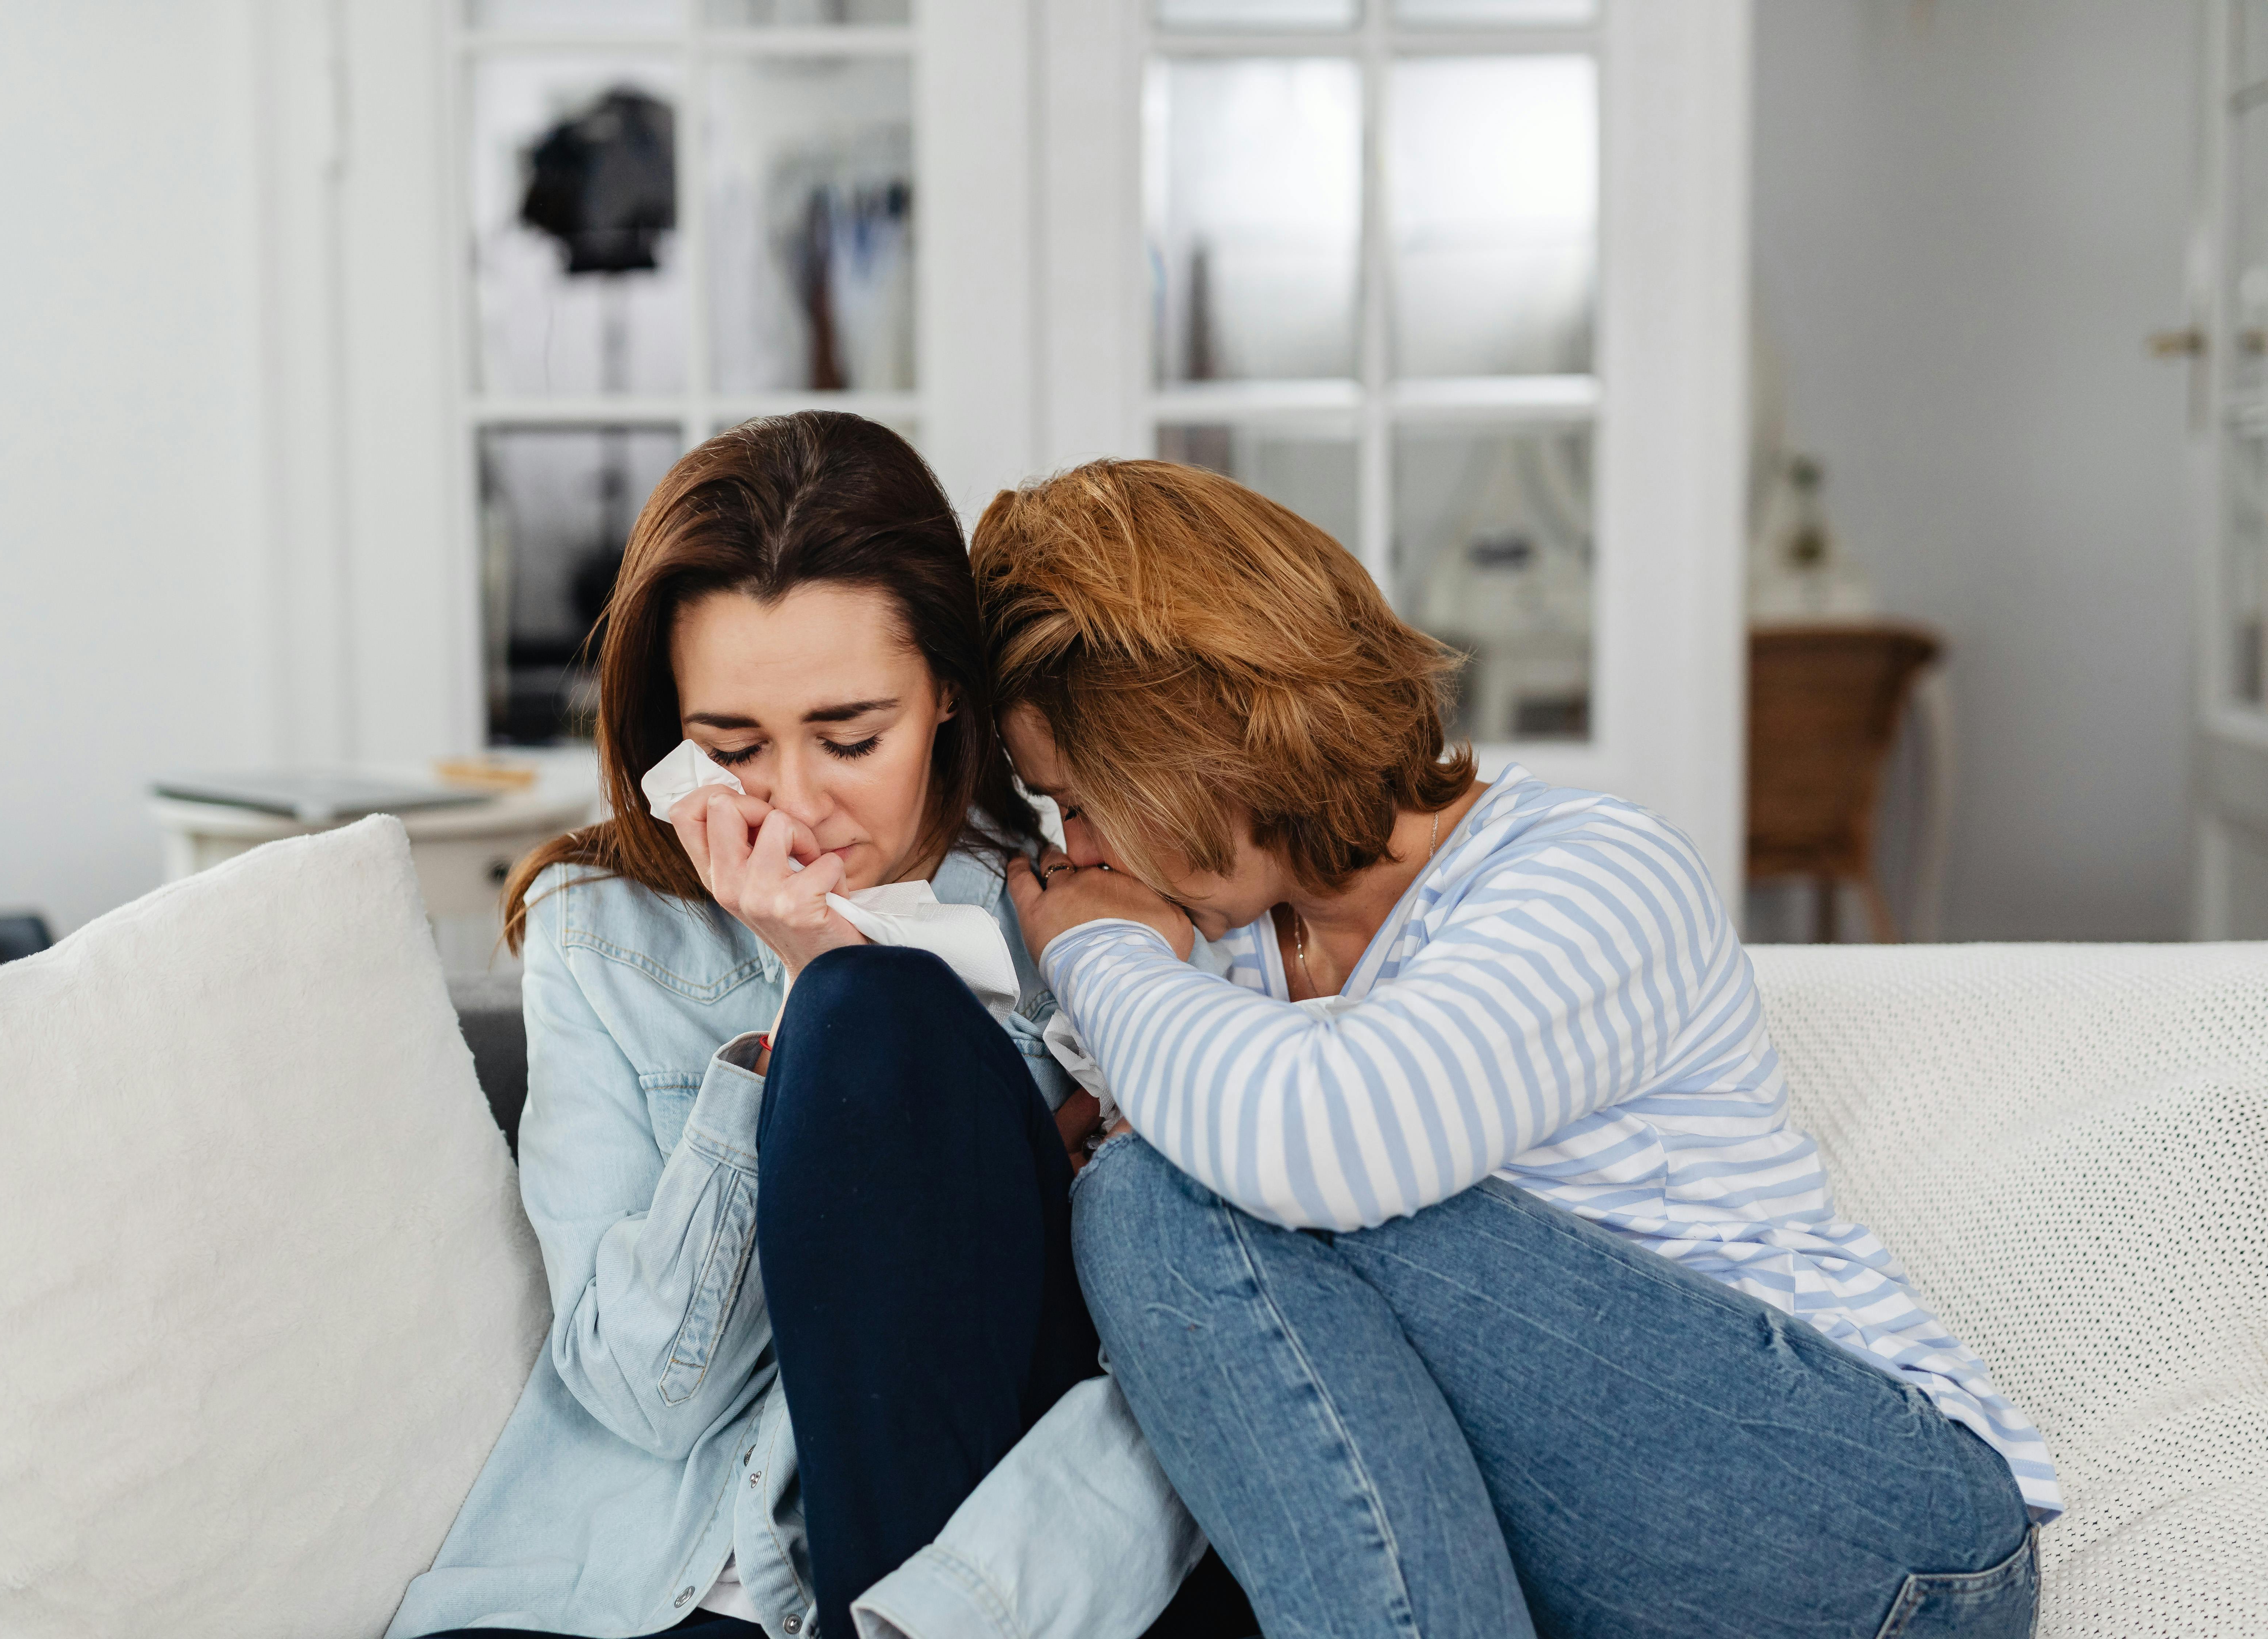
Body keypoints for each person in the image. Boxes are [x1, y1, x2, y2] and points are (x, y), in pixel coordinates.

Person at [972, 459, 2057, 1639]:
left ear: (1193, 746)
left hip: (1869, 1533)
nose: (1077, 853)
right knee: (1146, 1196)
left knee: (1164, 1190)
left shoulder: (1591, 875)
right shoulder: (1219, 951)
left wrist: (1099, 954)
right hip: (1569, 1561)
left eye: (1084, 800)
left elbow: (1322, 1146)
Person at [389, 416, 1234, 1639]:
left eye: (851, 740)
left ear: (949, 691)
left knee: (875, 1012)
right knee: (849, 1008)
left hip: (944, 1580)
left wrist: (854, 998)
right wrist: (796, 1011)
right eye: (733, 748)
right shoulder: (601, 935)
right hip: (632, 1588)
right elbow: (641, 1390)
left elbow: (1192, 1353)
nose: (793, 806)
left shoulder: (1092, 927)